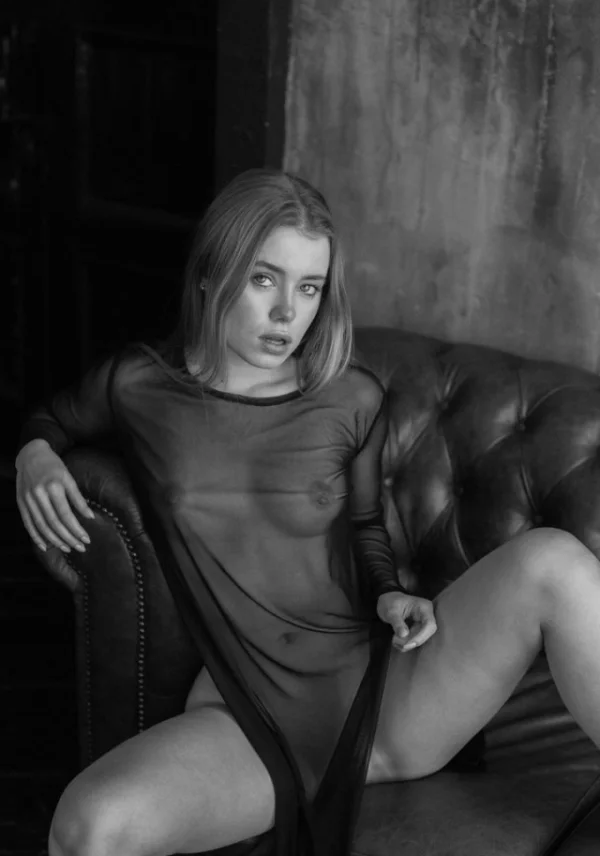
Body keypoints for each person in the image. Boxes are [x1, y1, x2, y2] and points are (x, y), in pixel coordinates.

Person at [14, 168, 600, 856]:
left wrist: (389, 595)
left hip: (385, 691)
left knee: (552, 561)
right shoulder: (138, 386)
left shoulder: (350, 397)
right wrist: (34, 455)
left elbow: (364, 527)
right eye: (264, 279)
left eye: (309, 287)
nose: (287, 313)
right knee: (87, 826)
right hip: (249, 710)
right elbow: (52, 418)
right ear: (211, 275)